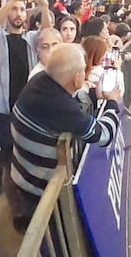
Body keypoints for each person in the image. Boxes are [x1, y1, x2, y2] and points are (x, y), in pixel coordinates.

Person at [11, 43, 120, 230]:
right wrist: (112, 104)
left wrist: (95, 95)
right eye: (82, 70)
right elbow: (104, 136)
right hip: (41, 190)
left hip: (22, 175)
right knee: (48, 235)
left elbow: (70, 99)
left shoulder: (40, 81)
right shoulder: (62, 108)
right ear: (76, 76)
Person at [0, 0, 51, 218]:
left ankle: (30, 207)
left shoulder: (32, 39)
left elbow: (49, 35)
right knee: (6, 164)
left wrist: (43, 6)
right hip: (3, 112)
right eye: (15, 9)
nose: (18, 14)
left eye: (23, 9)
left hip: (28, 113)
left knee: (28, 161)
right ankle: (15, 212)